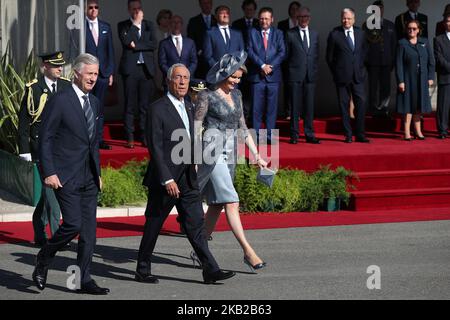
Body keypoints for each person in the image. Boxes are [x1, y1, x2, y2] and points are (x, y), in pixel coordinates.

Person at [135, 63, 235, 285]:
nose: (182, 82)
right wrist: (167, 178)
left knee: (196, 224)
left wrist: (196, 162)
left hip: (188, 176)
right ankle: (142, 269)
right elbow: (156, 147)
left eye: (186, 78)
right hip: (166, 178)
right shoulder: (157, 108)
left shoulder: (190, 105)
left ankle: (210, 269)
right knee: (154, 225)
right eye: (178, 78)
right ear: (169, 80)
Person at [32, 53, 109, 295]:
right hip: (66, 175)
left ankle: (81, 280)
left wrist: (97, 172)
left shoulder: (94, 103)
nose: (93, 78)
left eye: (96, 74)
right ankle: (45, 256)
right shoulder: (60, 100)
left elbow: (93, 142)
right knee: (73, 224)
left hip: (88, 176)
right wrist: (50, 172)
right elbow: (45, 139)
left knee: (89, 234)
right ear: (76, 73)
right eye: (89, 74)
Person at [195, 51, 268, 271]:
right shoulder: (206, 95)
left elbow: (242, 128)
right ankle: (248, 251)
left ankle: (200, 248)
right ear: (222, 73)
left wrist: (256, 155)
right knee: (231, 200)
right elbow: (197, 127)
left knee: (216, 204)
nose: (236, 81)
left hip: (230, 151)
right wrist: (195, 157)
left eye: (239, 78)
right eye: (232, 77)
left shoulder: (236, 95)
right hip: (211, 150)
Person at [18, 51, 71, 248]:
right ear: (45, 67)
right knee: (52, 192)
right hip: (41, 148)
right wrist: (24, 151)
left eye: (61, 65)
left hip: (62, 148)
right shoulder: (34, 89)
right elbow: (23, 123)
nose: (60, 68)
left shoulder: (66, 85)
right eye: (56, 65)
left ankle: (39, 230)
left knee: (47, 196)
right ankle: (58, 237)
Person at [118, 0, 157, 149]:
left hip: (146, 69)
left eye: (138, 8)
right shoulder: (123, 25)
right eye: (133, 9)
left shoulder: (149, 25)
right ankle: (130, 136)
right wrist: (135, 25)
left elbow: (154, 44)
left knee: (145, 105)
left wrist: (136, 46)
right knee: (129, 104)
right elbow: (126, 41)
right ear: (129, 10)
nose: (136, 11)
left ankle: (144, 134)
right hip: (130, 69)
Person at [326, 8, 369, 144]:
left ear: (354, 19)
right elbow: (329, 57)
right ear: (341, 18)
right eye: (344, 18)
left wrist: (361, 69)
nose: (346, 21)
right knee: (344, 106)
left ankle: (360, 134)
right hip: (342, 77)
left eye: (349, 18)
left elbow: (364, 53)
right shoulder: (335, 34)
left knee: (361, 105)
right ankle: (348, 134)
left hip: (358, 77)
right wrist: (337, 72)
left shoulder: (361, 33)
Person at [247, 7, 286, 144]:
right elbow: (250, 51)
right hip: (257, 76)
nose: (264, 21)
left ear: (272, 19)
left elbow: (282, 52)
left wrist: (271, 66)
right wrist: (262, 65)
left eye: (267, 18)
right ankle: (256, 137)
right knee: (256, 109)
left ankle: (270, 137)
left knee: (272, 109)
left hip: (273, 77)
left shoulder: (279, 33)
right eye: (262, 18)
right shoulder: (252, 32)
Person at [285, 7, 320, 145]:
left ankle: (309, 134)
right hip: (295, 75)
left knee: (309, 106)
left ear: (309, 18)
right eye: (301, 17)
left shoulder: (315, 34)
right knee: (295, 107)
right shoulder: (290, 34)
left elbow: (316, 55)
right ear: (297, 18)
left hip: (310, 76)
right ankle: (294, 135)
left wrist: (314, 70)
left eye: (306, 16)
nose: (303, 19)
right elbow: (286, 56)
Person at [396, 20, 435, 141]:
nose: (411, 31)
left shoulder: (425, 42)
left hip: (422, 80)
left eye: (414, 28)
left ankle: (418, 131)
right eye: (409, 28)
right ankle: (407, 132)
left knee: (418, 106)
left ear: (418, 30)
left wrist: (430, 77)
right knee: (408, 106)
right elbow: (399, 64)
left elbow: (431, 62)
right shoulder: (402, 43)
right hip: (408, 79)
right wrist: (401, 81)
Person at [85, 0, 115, 150]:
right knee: (87, 106)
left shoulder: (105, 26)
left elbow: (110, 50)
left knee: (100, 107)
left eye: (96, 7)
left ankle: (99, 138)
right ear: (85, 9)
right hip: (86, 73)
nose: (93, 10)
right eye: (90, 7)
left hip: (103, 73)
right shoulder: (80, 28)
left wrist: (110, 72)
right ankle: (88, 138)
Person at [363, 0, 397, 117]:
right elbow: (364, 45)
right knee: (373, 87)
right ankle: (372, 109)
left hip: (387, 61)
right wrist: (366, 61)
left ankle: (383, 109)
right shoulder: (367, 25)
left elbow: (394, 44)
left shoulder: (390, 25)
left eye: (381, 8)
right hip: (373, 62)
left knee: (386, 87)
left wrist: (393, 60)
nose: (379, 11)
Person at [158, 15, 198, 87]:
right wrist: (172, 74)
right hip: (170, 81)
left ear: (182, 25)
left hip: (187, 81)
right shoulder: (164, 43)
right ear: (170, 25)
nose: (176, 24)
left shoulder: (190, 42)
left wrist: (186, 74)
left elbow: (194, 61)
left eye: (178, 22)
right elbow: (162, 63)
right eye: (174, 22)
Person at [278, 1, 301, 120]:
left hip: (299, 62)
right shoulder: (282, 24)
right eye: (292, 8)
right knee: (287, 87)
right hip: (286, 62)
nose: (294, 11)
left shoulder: (302, 23)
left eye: (297, 9)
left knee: (298, 88)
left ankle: (297, 112)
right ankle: (288, 112)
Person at [187, 0, 217, 80]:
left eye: (209, 3)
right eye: (204, 3)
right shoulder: (193, 21)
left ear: (211, 4)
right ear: (200, 5)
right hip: (200, 60)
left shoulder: (217, 20)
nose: (207, 5)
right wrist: (199, 51)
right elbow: (191, 40)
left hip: (215, 60)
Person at [435, 14, 450, 139]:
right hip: (445, 77)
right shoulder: (438, 39)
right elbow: (439, 58)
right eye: (448, 21)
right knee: (443, 106)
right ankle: (443, 130)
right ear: (444, 23)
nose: (449, 23)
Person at [154, 9, 173, 96]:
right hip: (157, 64)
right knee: (157, 90)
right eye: (165, 18)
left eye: (169, 18)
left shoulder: (173, 32)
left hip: (170, 65)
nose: (167, 20)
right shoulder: (154, 32)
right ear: (159, 19)